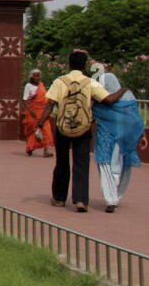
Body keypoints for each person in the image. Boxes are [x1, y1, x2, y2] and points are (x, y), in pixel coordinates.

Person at [42, 51, 128, 212]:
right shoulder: (90, 83)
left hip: (63, 127)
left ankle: (60, 198)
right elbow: (108, 100)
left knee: (62, 162)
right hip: (83, 128)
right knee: (81, 163)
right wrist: (123, 90)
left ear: (69, 64)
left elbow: (50, 104)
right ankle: (81, 199)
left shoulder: (60, 81)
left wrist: (41, 123)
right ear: (85, 65)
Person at [92, 71, 143, 212]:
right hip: (124, 138)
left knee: (106, 167)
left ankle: (111, 199)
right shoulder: (126, 96)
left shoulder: (100, 98)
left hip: (106, 138)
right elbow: (135, 118)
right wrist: (141, 135)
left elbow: (92, 114)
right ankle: (114, 197)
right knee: (120, 168)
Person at [21, 68, 54, 158]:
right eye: (35, 76)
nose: (37, 78)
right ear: (32, 77)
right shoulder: (28, 86)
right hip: (33, 112)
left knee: (46, 130)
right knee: (33, 131)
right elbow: (24, 100)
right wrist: (31, 111)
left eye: (38, 76)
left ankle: (46, 151)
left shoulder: (41, 85)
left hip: (43, 112)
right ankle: (30, 148)